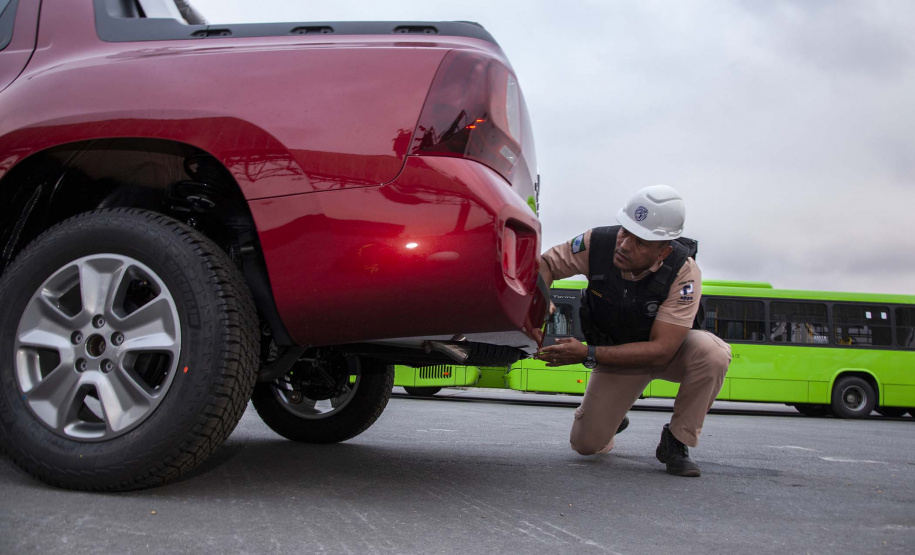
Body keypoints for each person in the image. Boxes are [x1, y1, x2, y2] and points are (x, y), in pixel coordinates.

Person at [535, 185, 731, 477]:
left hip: (665, 352)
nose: (624, 245)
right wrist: (541, 301)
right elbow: (546, 263)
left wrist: (587, 353)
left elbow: (662, 348)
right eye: (625, 231)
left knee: (714, 354)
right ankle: (614, 418)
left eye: (640, 242)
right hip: (616, 352)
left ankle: (676, 441)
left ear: (663, 250)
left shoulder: (684, 272)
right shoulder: (598, 242)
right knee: (586, 445)